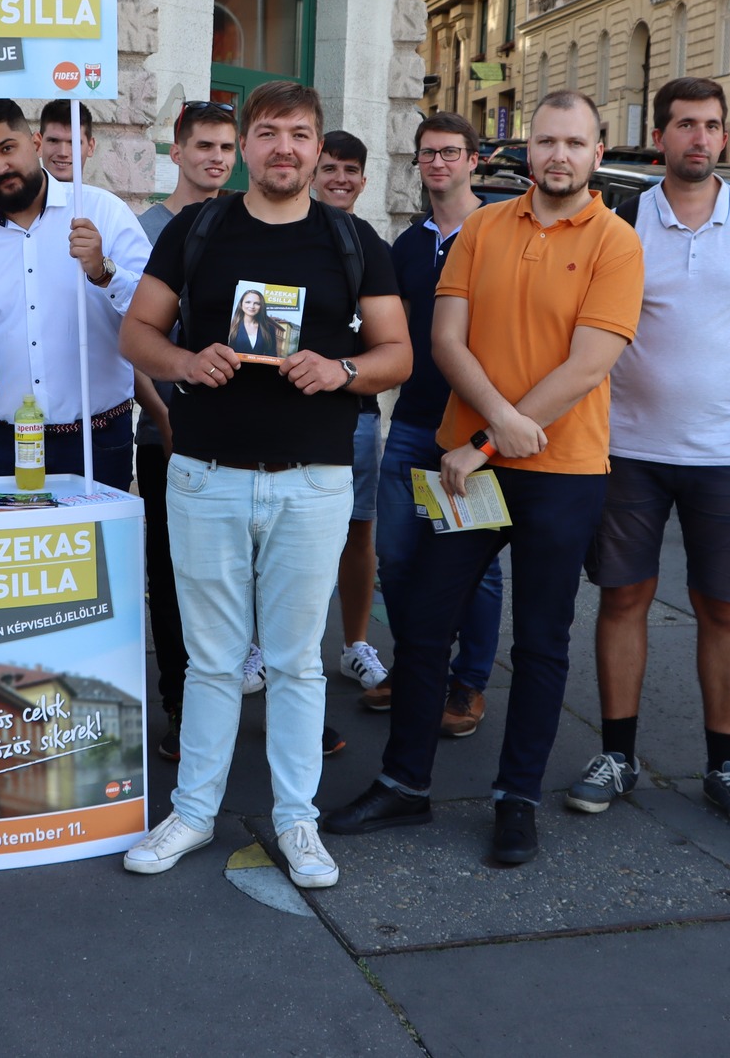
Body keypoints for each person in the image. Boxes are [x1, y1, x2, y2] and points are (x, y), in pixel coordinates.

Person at [323, 92, 642, 866]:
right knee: (427, 624)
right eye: (545, 141)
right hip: (468, 466)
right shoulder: (484, 228)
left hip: (563, 474)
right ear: (523, 151)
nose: (558, 155)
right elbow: (445, 339)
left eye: (574, 142)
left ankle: (516, 798)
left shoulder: (617, 241)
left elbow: (591, 361)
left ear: (597, 153)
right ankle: (404, 783)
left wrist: (489, 436)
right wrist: (498, 426)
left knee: (539, 640)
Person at [118, 79, 409, 891]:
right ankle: (193, 809)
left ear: (321, 149)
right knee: (210, 659)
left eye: (302, 134)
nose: (286, 146)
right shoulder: (197, 229)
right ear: (244, 145)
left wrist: (342, 368)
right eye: (271, 131)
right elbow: (136, 330)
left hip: (311, 481)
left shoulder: (354, 241)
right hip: (205, 475)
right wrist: (182, 362)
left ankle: (297, 818)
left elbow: (398, 354)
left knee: (296, 662)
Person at [576, 77, 730, 831]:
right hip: (629, 448)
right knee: (622, 598)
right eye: (684, 125)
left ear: (725, 136)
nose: (699, 138)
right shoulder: (620, 220)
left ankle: (725, 763)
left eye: (711, 125)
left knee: (725, 607)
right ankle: (618, 754)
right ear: (661, 136)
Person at [0, 99, 150, 491]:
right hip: (1, 440)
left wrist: (103, 273)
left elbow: (152, 315)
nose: (0, 167)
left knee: (93, 552)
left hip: (96, 441)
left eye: (7, 148)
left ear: (34, 142)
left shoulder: (104, 213)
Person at [356, 113, 506, 740]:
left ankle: (468, 683)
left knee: (474, 563)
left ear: (474, 160)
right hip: (415, 420)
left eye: (450, 152)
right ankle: (417, 666)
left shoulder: (501, 231)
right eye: (427, 155)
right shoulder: (410, 243)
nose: (438, 164)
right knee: (396, 551)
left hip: (476, 428)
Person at [136, 100, 239, 761]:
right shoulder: (144, 226)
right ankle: (178, 701)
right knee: (172, 577)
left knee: (241, 580)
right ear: (175, 151)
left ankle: (244, 705)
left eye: (227, 147)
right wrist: (163, 413)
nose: (217, 158)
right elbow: (130, 336)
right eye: (204, 145)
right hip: (165, 431)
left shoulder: (242, 221)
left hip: (235, 435)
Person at [315, 130, 386, 697]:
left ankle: (355, 644)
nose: (340, 178)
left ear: (364, 179)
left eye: (351, 169)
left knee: (359, 531)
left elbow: (392, 340)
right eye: (330, 167)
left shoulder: (369, 242)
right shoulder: (286, 231)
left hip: (357, 412)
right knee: (276, 539)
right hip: (289, 414)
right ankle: (265, 647)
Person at [39, 99, 98, 183]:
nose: (63, 153)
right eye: (53, 141)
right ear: (38, 144)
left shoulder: (102, 196)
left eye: (74, 143)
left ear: (90, 147)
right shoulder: (18, 196)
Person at [226, 289, 286, 356]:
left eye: (256, 303)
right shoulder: (231, 326)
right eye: (248, 302)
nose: (252, 306)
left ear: (261, 306)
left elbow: (272, 355)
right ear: (241, 304)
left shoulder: (270, 329)